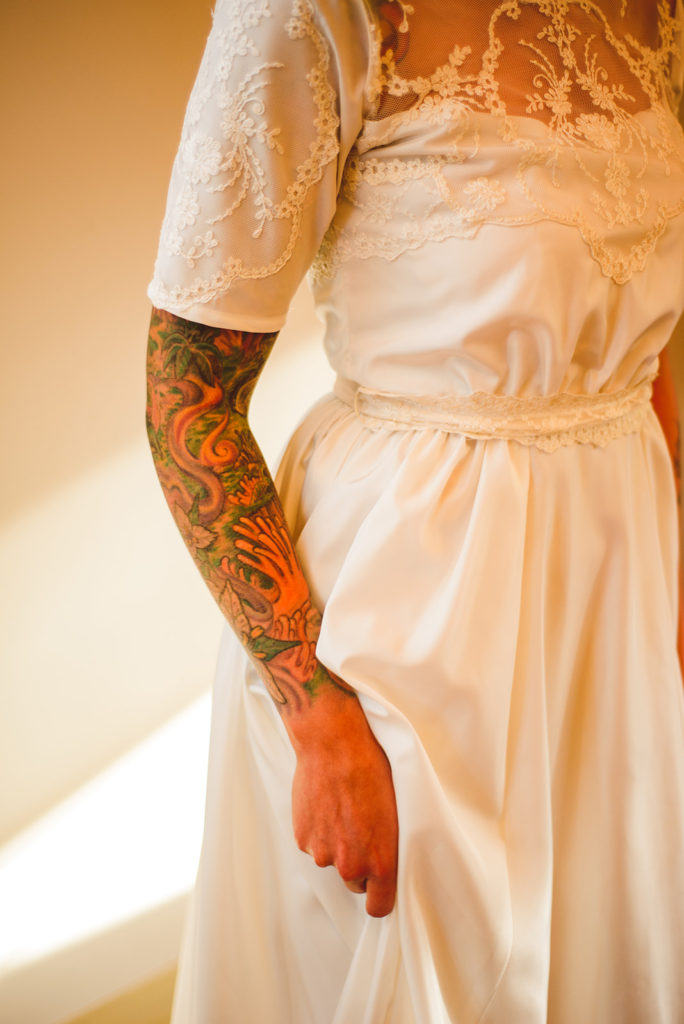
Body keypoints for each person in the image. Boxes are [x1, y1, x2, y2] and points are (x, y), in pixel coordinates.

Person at [146, 1, 684, 1020]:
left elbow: (650, 310)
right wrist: (316, 716)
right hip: (412, 607)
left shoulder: (658, 13)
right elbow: (185, 388)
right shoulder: (310, 15)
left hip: (616, 588)